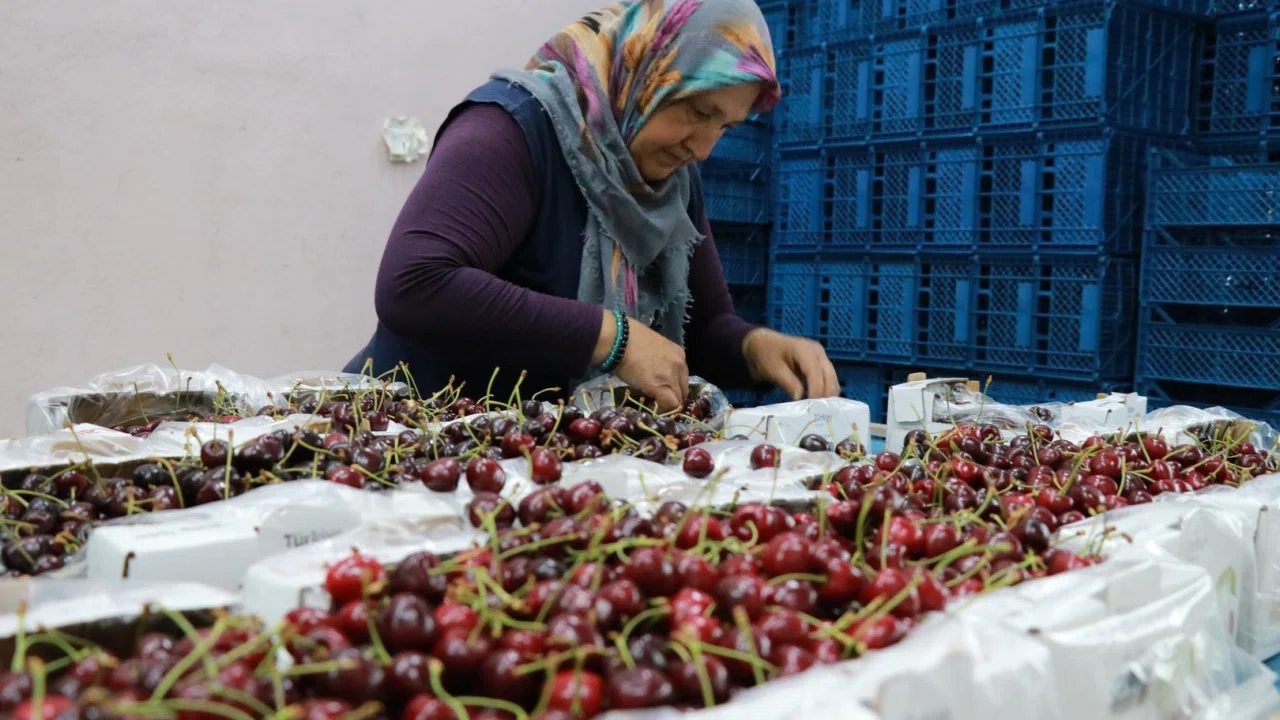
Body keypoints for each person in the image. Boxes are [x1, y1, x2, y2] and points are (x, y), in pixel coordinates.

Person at [346, 0, 839, 411]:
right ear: (645, 70)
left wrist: (756, 348)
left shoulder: (672, 182)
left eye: (725, 126)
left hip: (539, 463)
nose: (705, 147)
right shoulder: (510, 131)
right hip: (418, 442)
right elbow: (415, 284)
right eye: (697, 111)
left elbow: (702, 331)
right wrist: (612, 337)